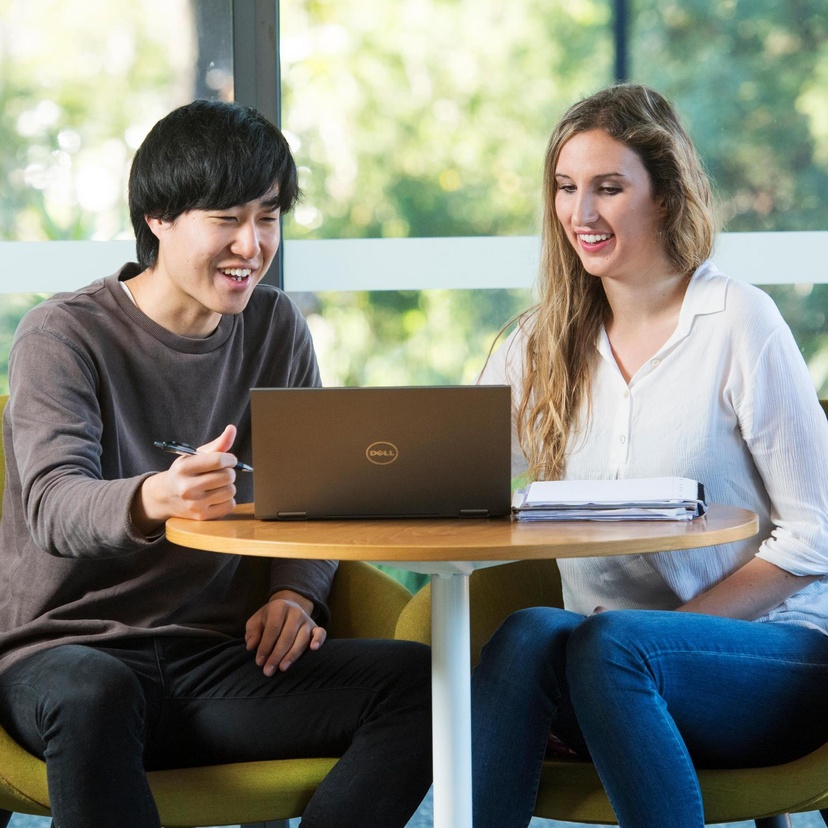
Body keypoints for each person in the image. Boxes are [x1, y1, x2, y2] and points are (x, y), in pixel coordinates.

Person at [0, 99, 431, 828]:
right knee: (94, 694)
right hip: (66, 652)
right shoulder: (62, 334)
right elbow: (52, 504)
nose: (252, 245)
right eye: (226, 219)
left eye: (267, 217)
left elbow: (312, 494)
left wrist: (296, 594)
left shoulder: (276, 326)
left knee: (428, 686)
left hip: (216, 662)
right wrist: (153, 498)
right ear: (159, 219)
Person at [471, 83, 828, 828]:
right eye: (567, 189)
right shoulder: (538, 345)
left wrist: (672, 635)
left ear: (664, 196)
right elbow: (459, 478)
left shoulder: (738, 321)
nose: (582, 213)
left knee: (614, 646)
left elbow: (816, 536)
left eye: (609, 188)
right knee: (528, 632)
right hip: (609, 664)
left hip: (770, 659)